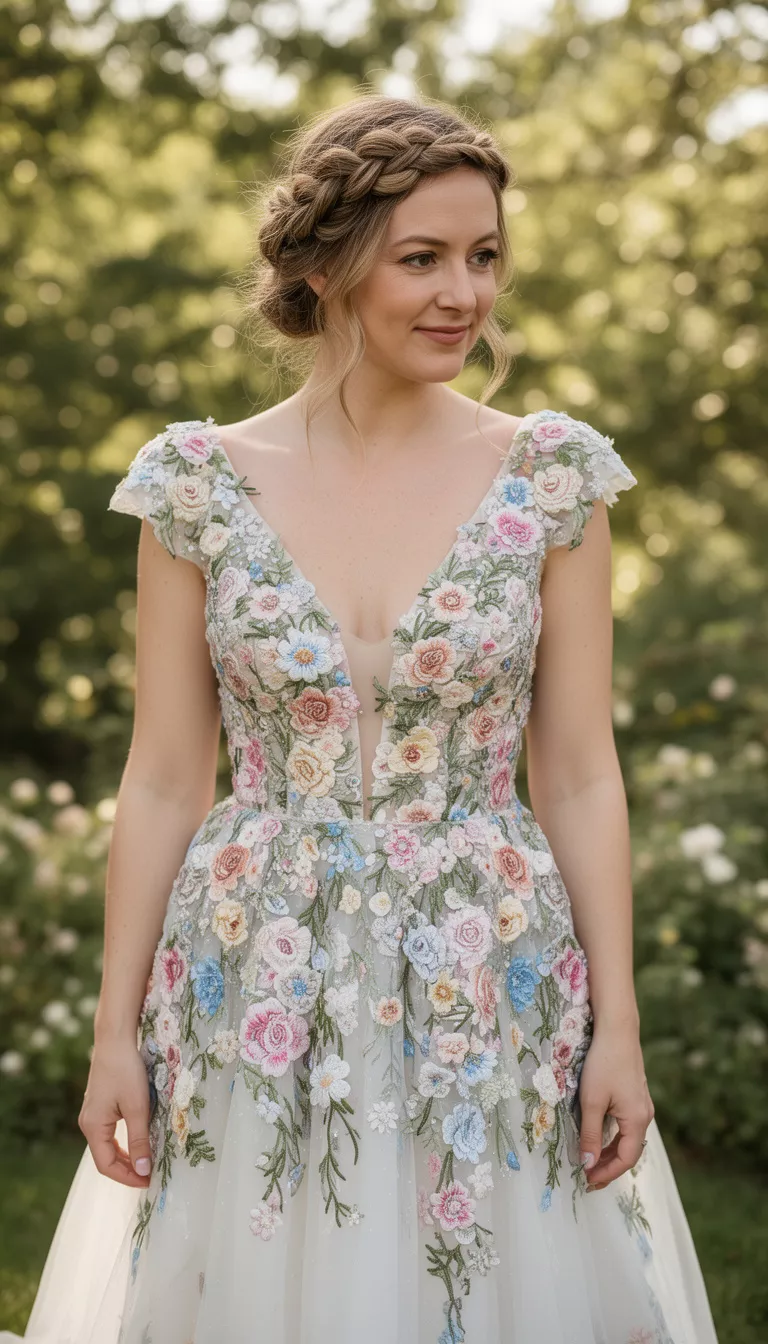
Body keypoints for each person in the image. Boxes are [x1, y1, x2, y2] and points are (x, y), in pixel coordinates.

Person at [3, 94, 719, 1344]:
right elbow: (168, 776)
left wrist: (622, 1029)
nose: (465, 293)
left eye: (485, 256)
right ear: (329, 267)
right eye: (423, 257)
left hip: (490, 966)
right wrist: (114, 1033)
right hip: (255, 964)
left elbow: (582, 775)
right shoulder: (199, 484)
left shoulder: (553, 477)